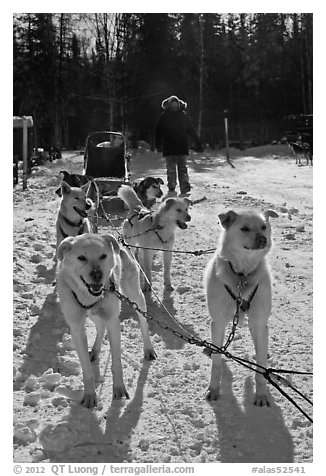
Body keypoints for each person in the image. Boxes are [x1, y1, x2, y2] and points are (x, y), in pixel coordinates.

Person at [154, 95, 203, 197]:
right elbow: (158, 131)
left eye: (176, 104)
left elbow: (191, 130)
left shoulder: (183, 116)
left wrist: (197, 142)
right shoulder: (164, 117)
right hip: (169, 147)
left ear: (179, 104)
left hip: (182, 146)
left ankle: (184, 186)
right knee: (171, 169)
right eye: (172, 104)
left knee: (182, 168)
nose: (174, 106)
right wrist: (157, 144)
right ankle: (172, 186)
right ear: (169, 105)